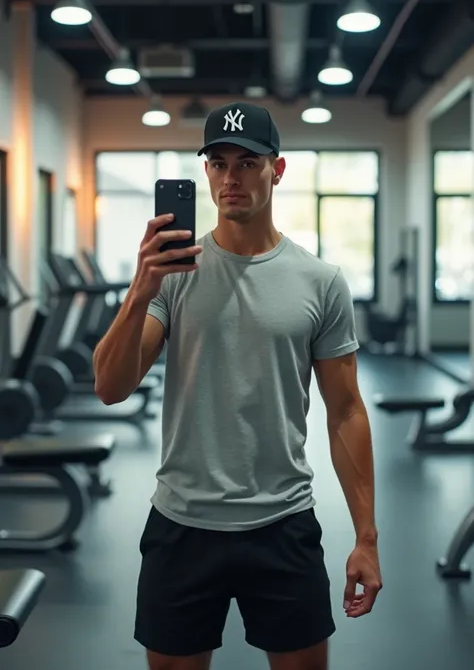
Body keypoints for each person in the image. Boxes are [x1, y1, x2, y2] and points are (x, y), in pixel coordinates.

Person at [93, 102, 383, 670]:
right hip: (181, 525)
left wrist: (366, 539)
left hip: (283, 524)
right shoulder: (175, 275)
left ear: (277, 170)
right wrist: (140, 288)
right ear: (205, 172)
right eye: (218, 162)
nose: (231, 177)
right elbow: (110, 386)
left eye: (248, 162)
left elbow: (346, 412)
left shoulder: (320, 282)